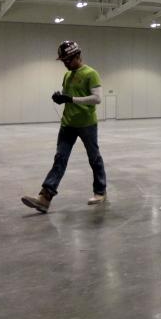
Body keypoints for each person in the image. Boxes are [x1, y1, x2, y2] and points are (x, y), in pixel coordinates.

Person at [21, 40, 106, 213]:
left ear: (77, 56)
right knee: (60, 158)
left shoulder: (91, 73)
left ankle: (100, 191)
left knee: (94, 158)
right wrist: (60, 98)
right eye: (63, 61)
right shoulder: (67, 75)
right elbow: (69, 96)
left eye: (68, 60)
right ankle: (44, 198)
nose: (65, 64)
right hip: (68, 124)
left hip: (87, 124)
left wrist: (71, 99)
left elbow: (97, 99)